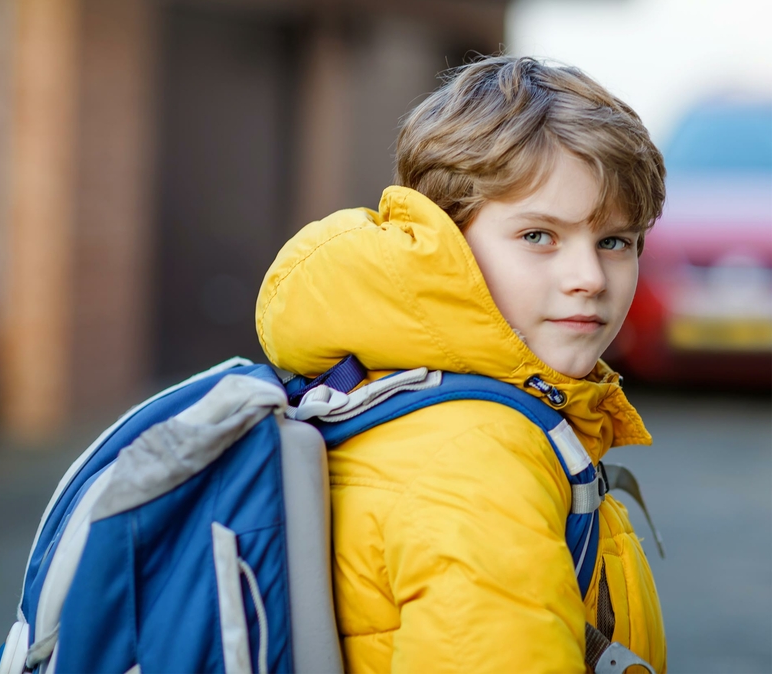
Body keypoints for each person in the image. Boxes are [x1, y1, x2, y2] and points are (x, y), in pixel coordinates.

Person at [256, 55, 666, 673]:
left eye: (615, 241)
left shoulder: (386, 379)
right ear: (445, 241)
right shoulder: (481, 460)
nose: (588, 279)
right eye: (538, 236)